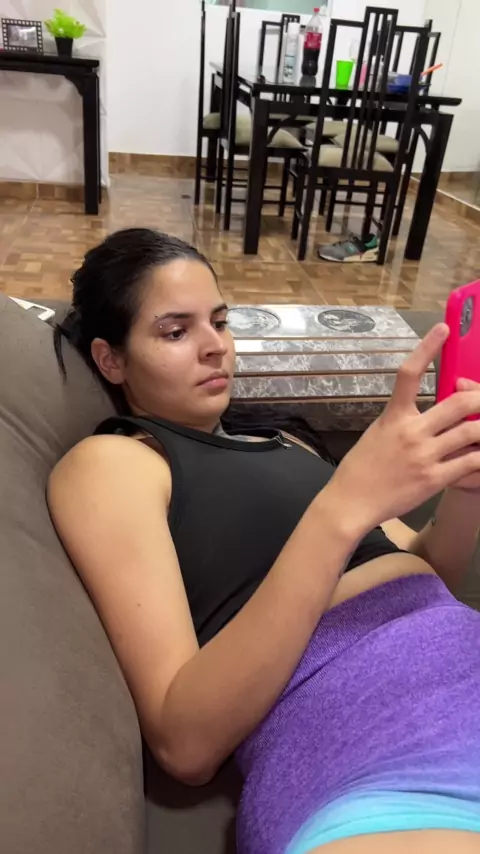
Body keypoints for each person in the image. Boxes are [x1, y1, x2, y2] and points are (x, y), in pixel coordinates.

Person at [48, 228, 480, 854]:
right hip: (375, 752)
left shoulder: (287, 442)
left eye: (220, 322)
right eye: (176, 332)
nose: (215, 347)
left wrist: (465, 490)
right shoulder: (117, 464)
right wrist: (342, 507)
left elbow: (425, 570)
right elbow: (184, 743)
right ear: (111, 360)